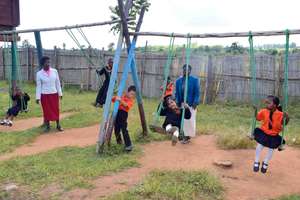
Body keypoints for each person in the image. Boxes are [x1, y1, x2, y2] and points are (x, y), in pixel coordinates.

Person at [253, 95, 289, 174]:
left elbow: (285, 123)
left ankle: (265, 162)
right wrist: (255, 110)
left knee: (271, 149)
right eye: (266, 103)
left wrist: (287, 117)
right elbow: (257, 118)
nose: (266, 104)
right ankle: (256, 161)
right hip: (264, 132)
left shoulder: (280, 114)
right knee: (259, 146)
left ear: (275, 105)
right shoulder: (263, 111)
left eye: (268, 103)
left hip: (273, 135)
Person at [36, 56, 63, 132]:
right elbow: (38, 86)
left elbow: (57, 83)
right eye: (46, 62)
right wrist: (37, 97)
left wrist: (60, 93)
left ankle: (58, 125)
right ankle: (47, 126)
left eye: (49, 62)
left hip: (54, 94)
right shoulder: (39, 74)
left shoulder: (55, 71)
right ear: (42, 64)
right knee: (46, 111)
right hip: (44, 95)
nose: (48, 64)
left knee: (56, 109)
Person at [175, 64, 200, 143]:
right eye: (184, 69)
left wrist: (195, 103)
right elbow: (177, 93)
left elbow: (197, 93)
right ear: (182, 70)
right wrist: (176, 101)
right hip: (182, 103)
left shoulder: (194, 80)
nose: (186, 71)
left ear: (190, 71)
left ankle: (187, 137)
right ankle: (185, 136)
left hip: (190, 104)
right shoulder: (178, 81)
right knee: (183, 121)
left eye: (188, 69)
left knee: (189, 120)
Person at [112, 85, 136, 152]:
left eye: (133, 95)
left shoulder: (131, 100)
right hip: (117, 113)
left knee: (124, 129)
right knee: (116, 129)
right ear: (128, 92)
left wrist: (120, 100)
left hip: (123, 114)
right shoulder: (122, 96)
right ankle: (119, 142)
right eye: (131, 94)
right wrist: (115, 97)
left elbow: (126, 105)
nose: (132, 96)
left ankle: (128, 145)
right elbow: (113, 99)